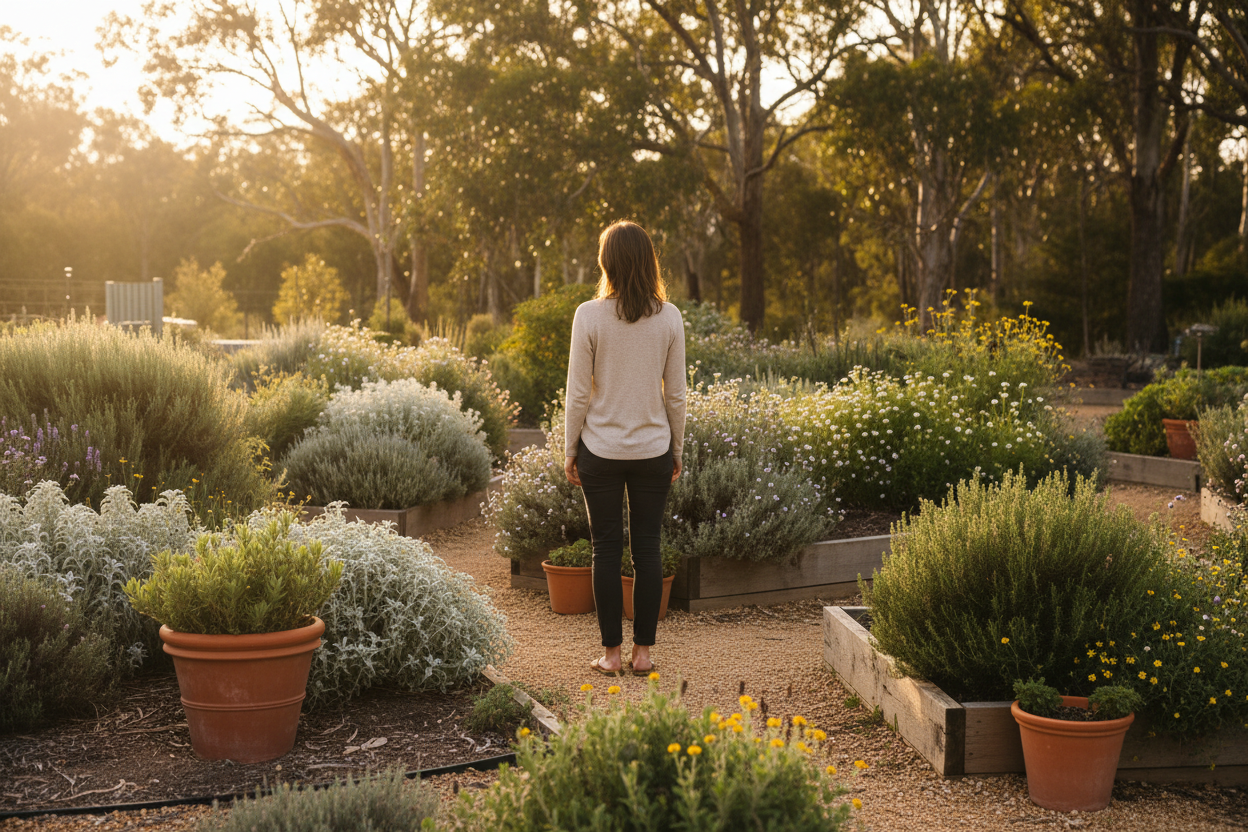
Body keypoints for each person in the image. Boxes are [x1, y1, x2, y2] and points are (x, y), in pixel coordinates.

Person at [564, 220, 687, 677]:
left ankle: (611, 655)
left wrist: (569, 449)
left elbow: (578, 392)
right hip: (654, 450)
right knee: (649, 549)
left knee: (606, 549)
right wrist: (677, 449)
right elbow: (676, 394)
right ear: (649, 260)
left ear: (606, 263)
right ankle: (644, 655)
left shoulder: (589, 315)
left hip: (600, 449)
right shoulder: (669, 316)